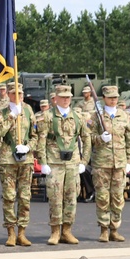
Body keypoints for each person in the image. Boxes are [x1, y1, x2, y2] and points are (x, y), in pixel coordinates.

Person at [37, 85, 91, 245]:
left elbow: (86, 139)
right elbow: (41, 140)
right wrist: (43, 162)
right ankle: (55, 231)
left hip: (73, 163)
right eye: (63, 97)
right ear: (56, 98)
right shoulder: (47, 117)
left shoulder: (78, 116)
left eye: (68, 97)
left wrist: (84, 161)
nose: (66, 99)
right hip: (54, 163)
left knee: (71, 198)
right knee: (55, 198)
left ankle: (67, 230)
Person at [89, 85, 130, 242]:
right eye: (110, 97)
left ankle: (114, 229)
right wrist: (101, 138)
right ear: (104, 98)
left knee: (117, 197)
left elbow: (129, 139)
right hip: (102, 163)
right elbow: (89, 138)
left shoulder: (123, 115)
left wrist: (129, 160)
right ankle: (103, 229)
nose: (113, 100)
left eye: (115, 97)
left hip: (119, 163)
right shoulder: (96, 117)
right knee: (102, 197)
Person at [0, 83, 38, 247]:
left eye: (20, 93)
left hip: (25, 160)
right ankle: (11, 232)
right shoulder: (2, 112)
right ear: (9, 95)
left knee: (25, 197)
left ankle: (22, 232)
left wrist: (28, 147)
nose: (18, 96)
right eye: (14, 94)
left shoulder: (28, 110)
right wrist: (12, 116)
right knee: (9, 197)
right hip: (8, 160)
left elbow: (35, 135)